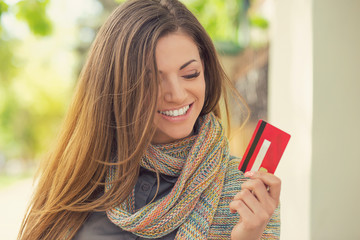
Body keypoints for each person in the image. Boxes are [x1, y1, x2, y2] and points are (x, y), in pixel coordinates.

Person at [18, 0, 281, 239]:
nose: (177, 95)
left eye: (190, 74)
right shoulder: (77, 179)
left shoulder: (244, 195)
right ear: (116, 86)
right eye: (151, 79)